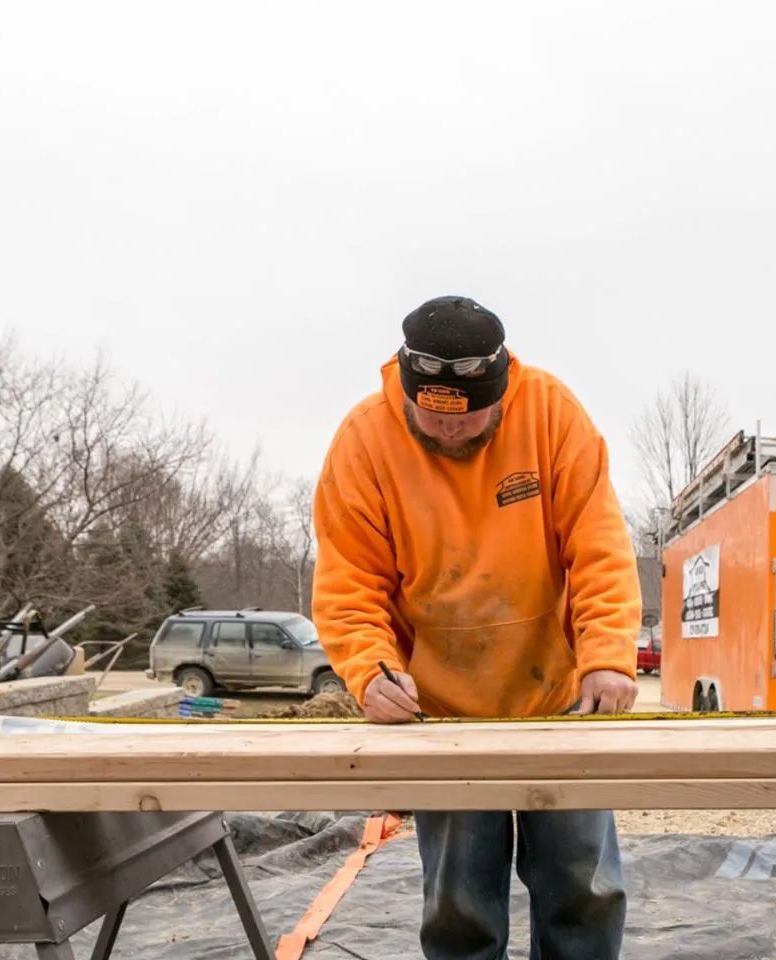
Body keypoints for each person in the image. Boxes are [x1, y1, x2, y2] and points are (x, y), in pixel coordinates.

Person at [313, 295, 641, 960]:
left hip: (558, 703)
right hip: (443, 715)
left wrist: (606, 653)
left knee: (585, 888)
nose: (450, 433)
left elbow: (598, 545)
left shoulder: (552, 415)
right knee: (459, 903)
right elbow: (351, 581)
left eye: (467, 418)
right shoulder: (364, 440)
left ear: (502, 389)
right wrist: (368, 669)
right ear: (408, 393)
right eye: (430, 417)